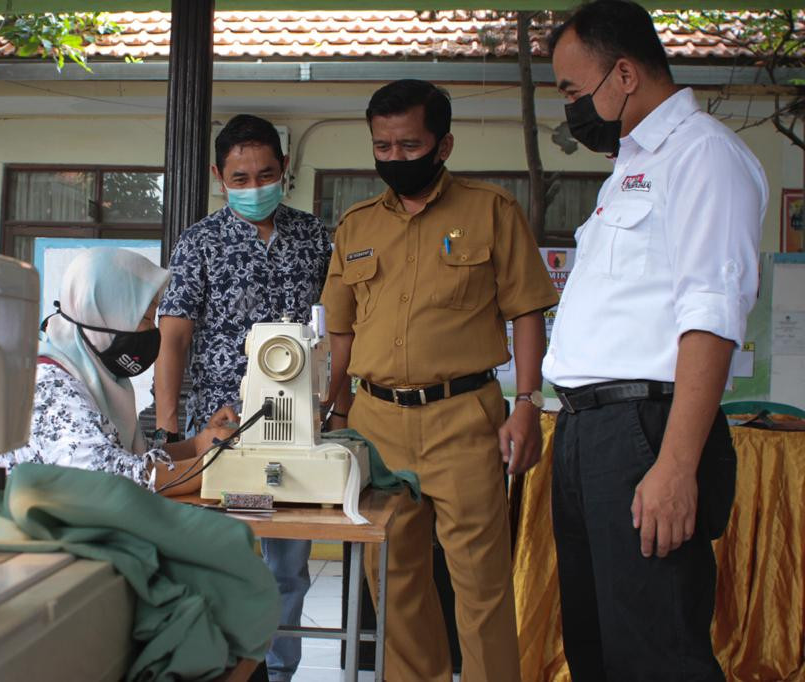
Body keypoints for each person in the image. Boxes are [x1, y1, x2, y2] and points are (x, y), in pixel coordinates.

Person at [544, 2, 767, 680]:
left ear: (624, 74)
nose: (571, 108)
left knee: (655, 655)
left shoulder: (704, 157)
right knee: (598, 651)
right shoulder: (630, 166)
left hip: (645, 433)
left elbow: (711, 316)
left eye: (573, 91)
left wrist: (674, 467)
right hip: (588, 433)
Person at [320, 79, 559, 681]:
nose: (395, 159)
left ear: (443, 144)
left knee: (480, 586)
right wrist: (334, 412)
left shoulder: (491, 211)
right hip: (375, 423)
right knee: (393, 582)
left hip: (465, 418)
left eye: (409, 145)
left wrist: (525, 403)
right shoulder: (355, 224)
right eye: (383, 147)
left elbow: (528, 310)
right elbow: (340, 335)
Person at [154, 114, 332, 682]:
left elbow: (340, 329)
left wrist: (338, 404)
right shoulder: (200, 242)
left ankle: (278, 673)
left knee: (288, 566)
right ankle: (225, 671)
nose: (255, 187)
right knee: (228, 559)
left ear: (285, 171)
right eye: (240, 177)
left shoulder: (315, 237)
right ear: (218, 175)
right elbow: (174, 338)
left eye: (266, 174)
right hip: (222, 432)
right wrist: (168, 433)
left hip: (298, 428)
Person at [0, 247, 236, 496]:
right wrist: (208, 468)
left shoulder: (96, 376)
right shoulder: (49, 382)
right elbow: (102, 476)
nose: (151, 331)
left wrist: (198, 444)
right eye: (145, 319)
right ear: (106, 314)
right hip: (3, 530)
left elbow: (131, 456)